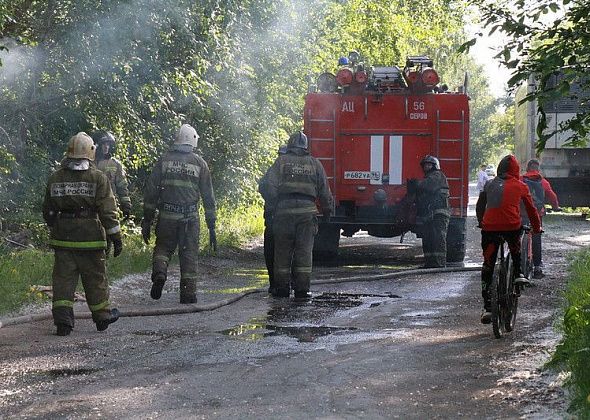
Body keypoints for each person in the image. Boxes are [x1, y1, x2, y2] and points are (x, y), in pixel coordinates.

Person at [42, 132, 122, 336]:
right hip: (90, 240)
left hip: (63, 239)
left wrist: (55, 223)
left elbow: (48, 210)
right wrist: (115, 236)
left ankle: (63, 323)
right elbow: (107, 210)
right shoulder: (98, 178)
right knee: (95, 278)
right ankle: (102, 316)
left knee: (63, 281)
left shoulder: (56, 177)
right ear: (91, 153)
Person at [142, 124, 216, 304]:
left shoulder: (164, 161)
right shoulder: (200, 163)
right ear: (193, 140)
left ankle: (160, 272)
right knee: (189, 254)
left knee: (163, 248)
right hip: (189, 218)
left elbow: (151, 192)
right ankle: (188, 293)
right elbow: (208, 196)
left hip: (167, 216)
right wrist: (211, 225)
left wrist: (147, 220)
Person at [261, 131, 333, 298]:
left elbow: (268, 187)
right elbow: (325, 191)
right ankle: (301, 289)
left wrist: (274, 205)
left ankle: (281, 288)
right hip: (307, 216)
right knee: (304, 252)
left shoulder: (281, 162)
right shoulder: (315, 164)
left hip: (284, 214)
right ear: (305, 146)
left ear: (291, 145)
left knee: (282, 252)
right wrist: (327, 212)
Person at [476, 155, 542, 324]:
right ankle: (519, 272)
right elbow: (531, 209)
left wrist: (481, 222)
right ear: (516, 171)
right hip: (512, 227)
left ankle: (488, 307)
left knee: (488, 265)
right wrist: (536, 228)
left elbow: (480, 205)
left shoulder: (489, 184)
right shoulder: (521, 186)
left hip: (489, 228)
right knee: (515, 247)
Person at [91, 130, 132, 256]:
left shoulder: (115, 164)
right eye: (103, 144)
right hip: (90, 206)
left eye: (108, 144)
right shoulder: (89, 163)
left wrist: (126, 206)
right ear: (97, 145)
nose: (106, 147)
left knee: (108, 238)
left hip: (109, 206)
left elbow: (122, 186)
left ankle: (104, 264)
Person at [521, 158, 561, 278]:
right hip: (537, 214)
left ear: (527, 168)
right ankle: (537, 267)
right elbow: (552, 195)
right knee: (536, 237)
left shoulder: (521, 179)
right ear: (538, 169)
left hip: (522, 214)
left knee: (519, 236)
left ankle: (517, 265)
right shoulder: (542, 181)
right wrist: (555, 206)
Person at [258, 145, 287, 294]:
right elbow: (262, 187)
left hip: (277, 216)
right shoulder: (274, 170)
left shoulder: (276, 170)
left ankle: (279, 284)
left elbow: (262, 187)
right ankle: (276, 284)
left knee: (277, 251)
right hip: (275, 217)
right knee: (273, 251)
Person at [412, 155, 450, 268]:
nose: (427, 167)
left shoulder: (437, 176)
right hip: (430, 214)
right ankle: (429, 263)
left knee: (438, 238)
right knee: (428, 238)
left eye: (429, 164)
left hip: (439, 214)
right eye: (425, 165)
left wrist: (416, 184)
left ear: (435, 166)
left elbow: (428, 186)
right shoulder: (428, 178)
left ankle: (440, 264)